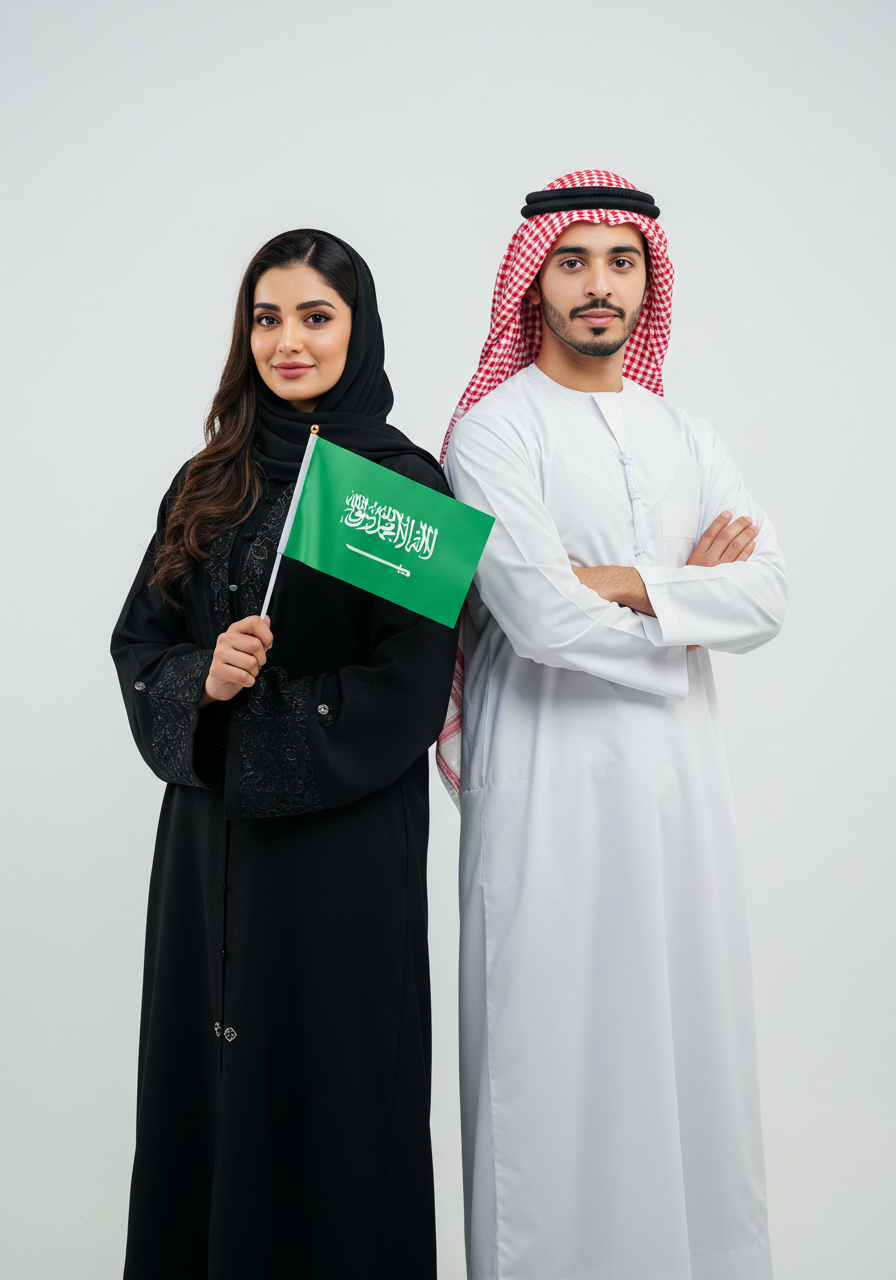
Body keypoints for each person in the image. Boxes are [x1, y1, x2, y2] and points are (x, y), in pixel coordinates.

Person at [439, 171, 787, 1280]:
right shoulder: (489, 432)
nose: (598, 285)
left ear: (648, 278)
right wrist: (682, 594)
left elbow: (768, 594)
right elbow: (535, 616)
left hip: (680, 799)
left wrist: (617, 584)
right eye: (574, 259)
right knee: (552, 1068)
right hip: (544, 794)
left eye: (620, 261)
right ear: (533, 276)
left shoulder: (689, 433)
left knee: (690, 1055)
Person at [111, 229, 458, 1279]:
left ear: (357, 331)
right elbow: (140, 643)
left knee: (335, 1089)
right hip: (209, 845)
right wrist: (201, 682)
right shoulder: (208, 479)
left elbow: (413, 683)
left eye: (316, 316)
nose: (288, 340)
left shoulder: (397, 485)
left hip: (341, 856)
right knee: (209, 1094)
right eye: (268, 317)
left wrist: (266, 715)